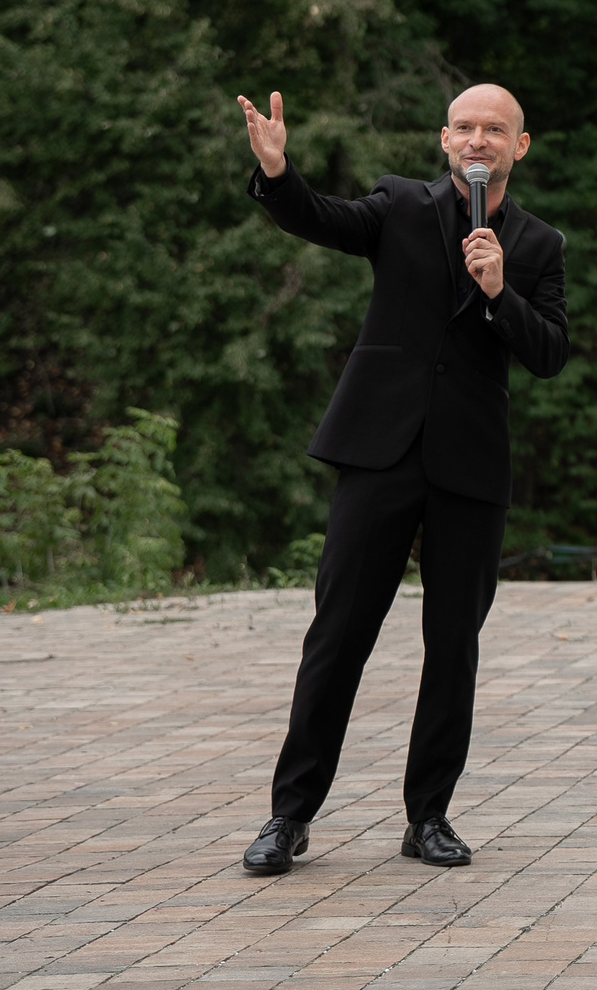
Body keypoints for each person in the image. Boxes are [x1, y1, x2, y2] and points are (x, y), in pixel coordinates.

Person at [231, 84, 571, 876]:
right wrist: (278, 173)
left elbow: (551, 351)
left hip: (470, 465)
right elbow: (321, 218)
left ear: (519, 146)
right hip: (379, 449)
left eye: (495, 129)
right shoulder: (400, 206)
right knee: (338, 635)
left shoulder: (539, 243)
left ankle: (429, 817)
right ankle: (289, 815)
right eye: (465, 127)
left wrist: (500, 292)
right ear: (444, 139)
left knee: (452, 647)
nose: (478, 139)